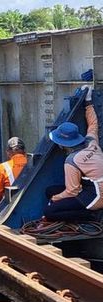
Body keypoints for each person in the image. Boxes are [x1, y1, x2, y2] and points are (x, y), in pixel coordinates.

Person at [43, 88, 103, 222]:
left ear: (63, 144)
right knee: (50, 190)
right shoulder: (91, 142)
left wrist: (55, 199)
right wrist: (88, 103)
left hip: (96, 196)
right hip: (92, 187)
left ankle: (92, 216)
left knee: (50, 211)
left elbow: (72, 191)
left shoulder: (71, 161)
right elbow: (93, 125)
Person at [0, 137, 28, 216]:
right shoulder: (33, 164)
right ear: (24, 152)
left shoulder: (2, 168)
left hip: (11, 210)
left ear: (8, 153)